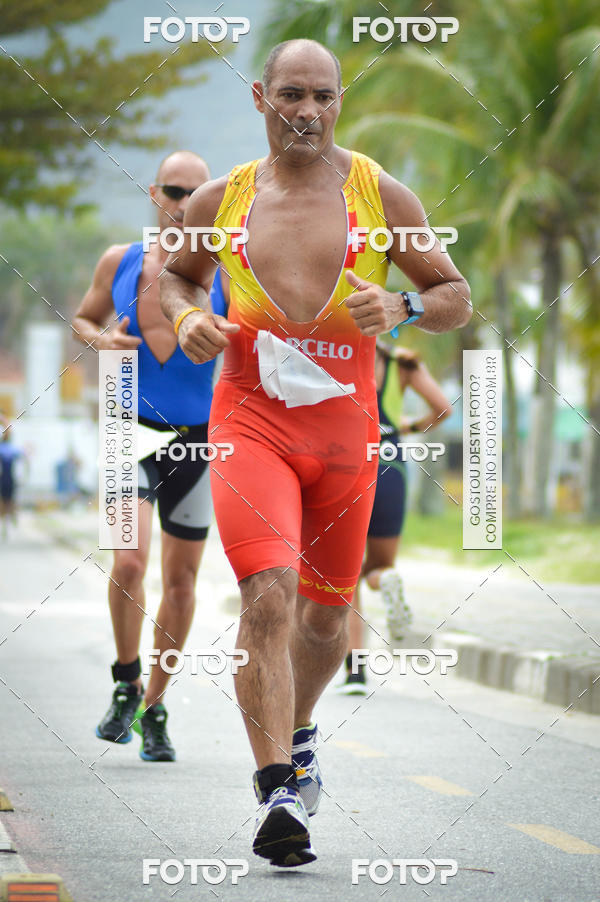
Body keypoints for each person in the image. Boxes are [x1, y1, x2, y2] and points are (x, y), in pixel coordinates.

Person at [159, 39, 471, 866]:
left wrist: (403, 304)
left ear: (339, 102)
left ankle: (298, 733)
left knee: (328, 615)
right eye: (292, 94)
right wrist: (188, 317)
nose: (308, 111)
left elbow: (455, 294)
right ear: (261, 97)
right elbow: (178, 278)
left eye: (324, 96)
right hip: (249, 421)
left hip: (345, 433)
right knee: (268, 594)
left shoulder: (380, 192)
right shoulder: (222, 198)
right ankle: (277, 792)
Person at [73, 151, 226, 762]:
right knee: (130, 563)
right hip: (126, 433)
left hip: (197, 439)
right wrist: (101, 339)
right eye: (173, 190)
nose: (184, 203)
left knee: (182, 581)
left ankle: (154, 707)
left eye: (196, 192)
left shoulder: (227, 273)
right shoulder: (121, 261)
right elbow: (84, 319)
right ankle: (125, 680)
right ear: (153, 193)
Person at [340, 341, 452, 694]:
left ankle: (355, 672)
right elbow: (443, 408)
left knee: (345, 575)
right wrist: (407, 427)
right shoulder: (402, 363)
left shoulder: (336, 354)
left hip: (346, 466)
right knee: (380, 566)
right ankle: (385, 580)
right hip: (391, 467)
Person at [0, 425, 25, 539]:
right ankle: (9, 523)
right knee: (9, 502)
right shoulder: (13, 449)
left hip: (5, 478)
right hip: (8, 478)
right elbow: (23, 461)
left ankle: (8, 523)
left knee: (6, 502)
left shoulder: (6, 448)